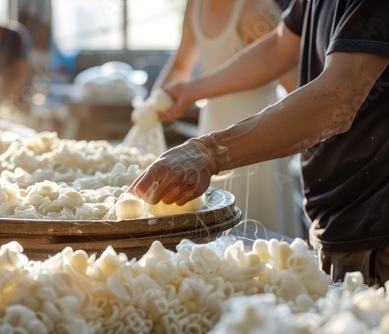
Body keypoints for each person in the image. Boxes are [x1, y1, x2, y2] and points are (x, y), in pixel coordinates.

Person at [130, 0, 389, 286]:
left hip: (372, 217)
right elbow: (278, 48)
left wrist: (207, 153)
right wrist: (191, 90)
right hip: (331, 209)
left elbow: (337, 99)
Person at [152, 0, 298, 234]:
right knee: (216, 230)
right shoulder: (195, 5)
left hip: (256, 136)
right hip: (211, 129)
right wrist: (154, 103)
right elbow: (181, 63)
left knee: (261, 227)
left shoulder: (256, 9)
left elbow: (295, 83)